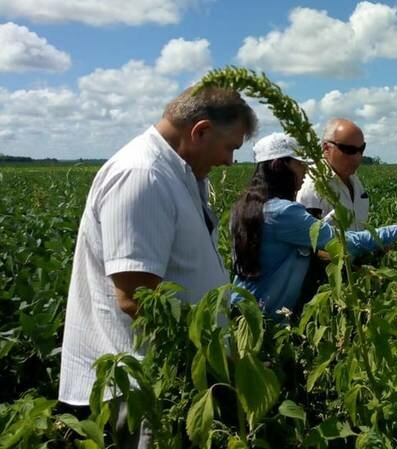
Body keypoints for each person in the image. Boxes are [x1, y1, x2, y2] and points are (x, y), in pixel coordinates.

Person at [58, 85, 258, 447]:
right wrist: (218, 359)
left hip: (169, 374)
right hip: (145, 383)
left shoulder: (178, 174)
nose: (230, 161)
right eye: (230, 147)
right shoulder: (143, 175)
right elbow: (136, 297)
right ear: (200, 131)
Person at [231, 133, 397, 317]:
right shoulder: (283, 213)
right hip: (262, 316)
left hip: (244, 307)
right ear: (279, 166)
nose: (306, 170)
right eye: (300, 164)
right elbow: (344, 242)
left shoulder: (247, 207)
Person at [297, 118, 369, 231]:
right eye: (349, 150)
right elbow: (308, 240)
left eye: (361, 149)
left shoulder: (354, 179)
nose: (357, 157)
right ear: (326, 148)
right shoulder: (312, 185)